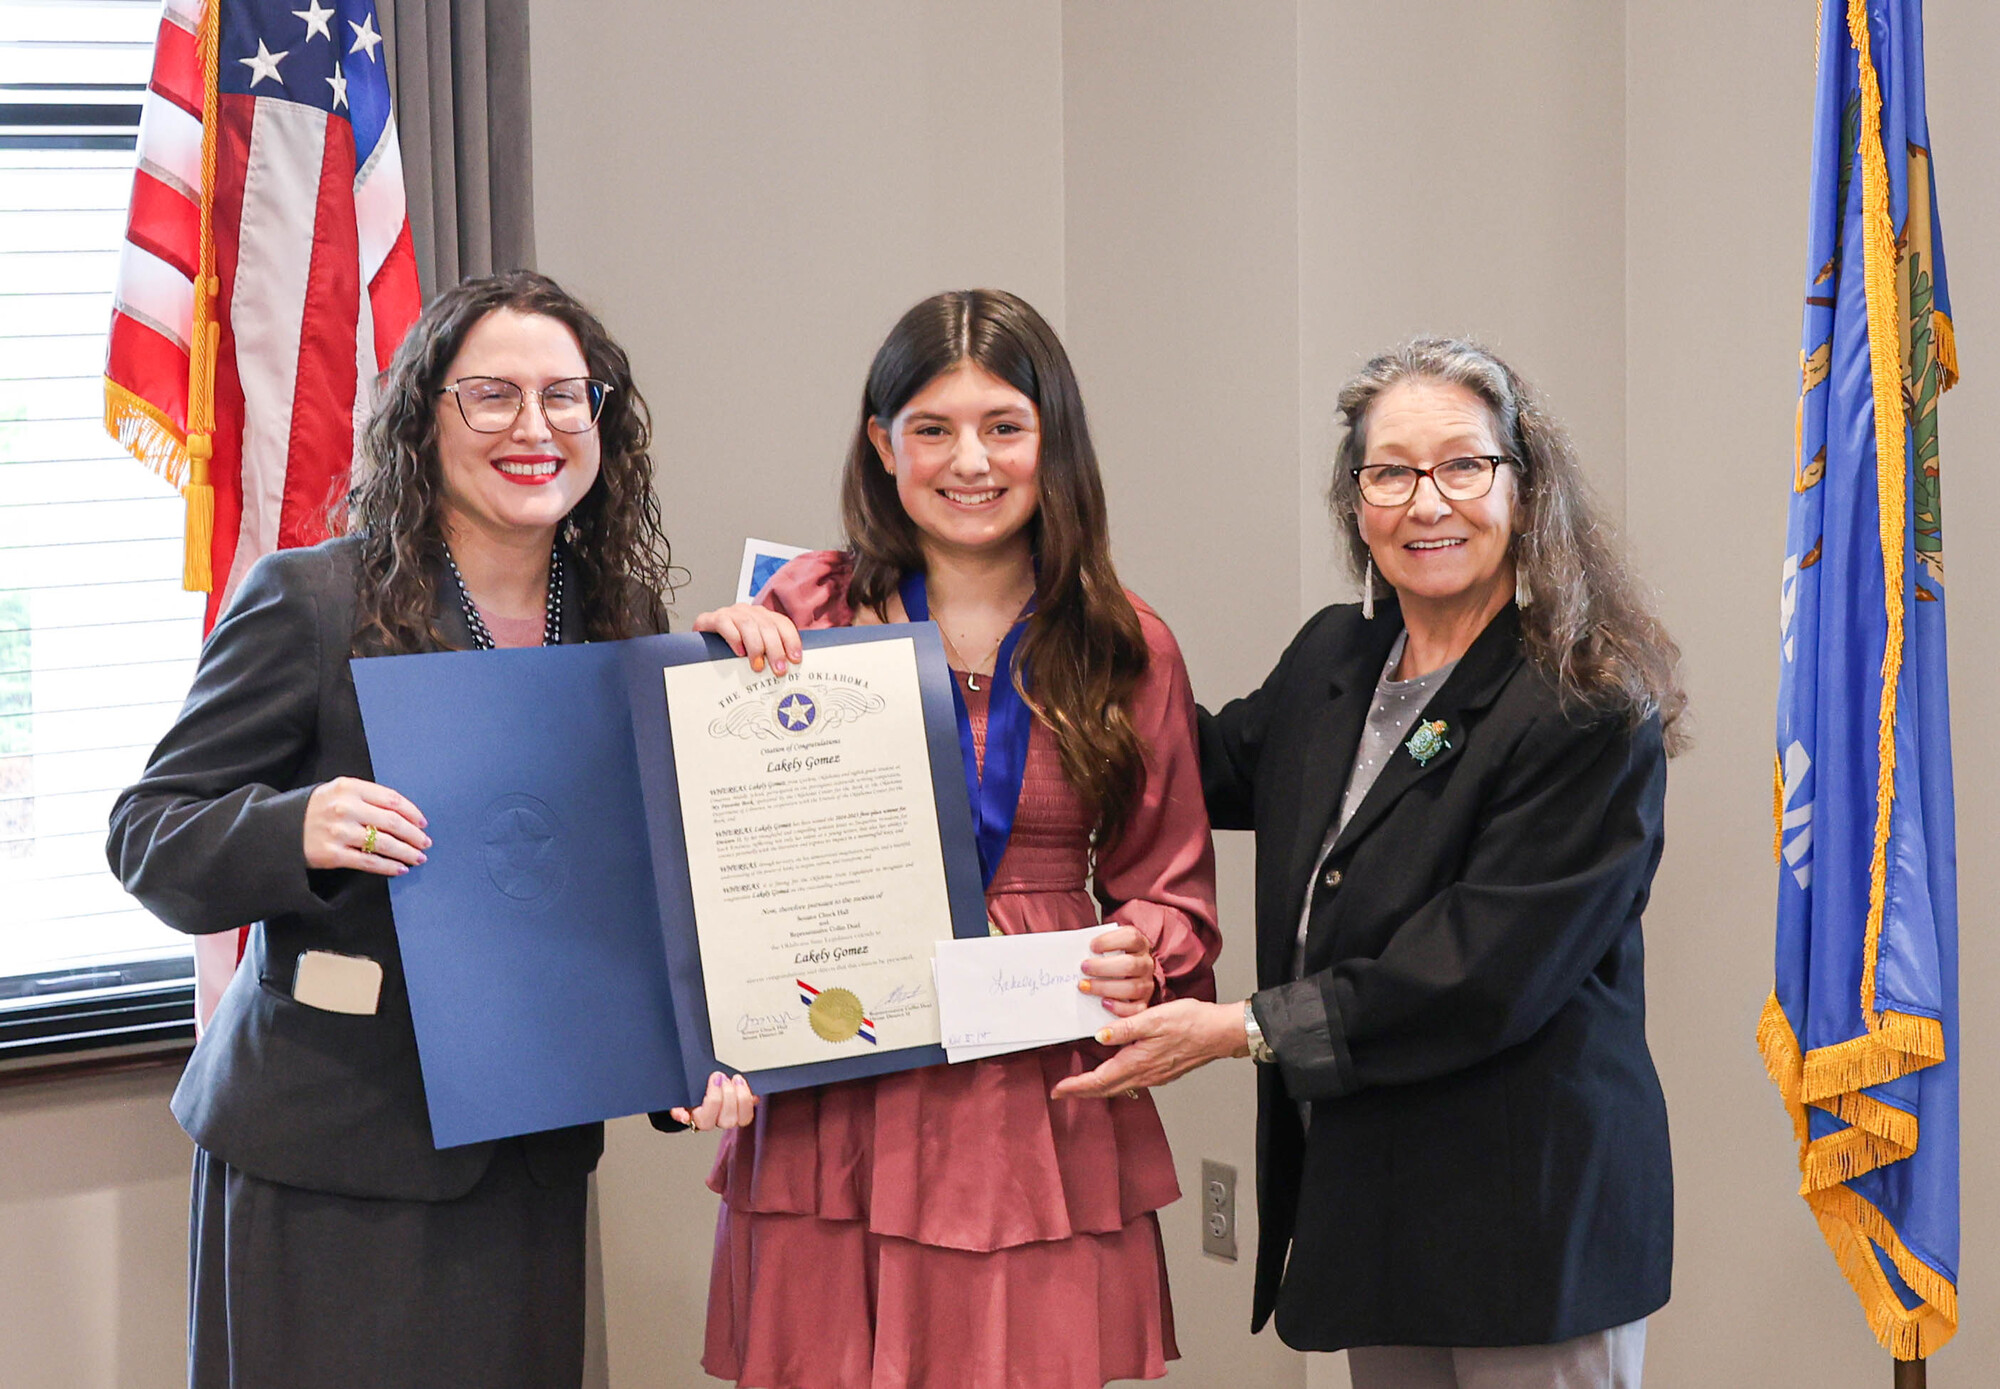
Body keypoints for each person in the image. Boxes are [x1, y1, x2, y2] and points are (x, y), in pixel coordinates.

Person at [106, 271, 750, 1389]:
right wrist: (298, 826)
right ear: (424, 418)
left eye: (565, 395)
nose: (533, 427)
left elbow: (633, 884)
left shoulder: (622, 623)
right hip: (331, 1155)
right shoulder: (313, 601)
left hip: (526, 1155)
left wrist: (684, 1055)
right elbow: (149, 833)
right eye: (491, 395)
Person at [1057, 338, 1685, 1388]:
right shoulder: (1334, 658)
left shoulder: (1582, 701)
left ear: (1524, 487)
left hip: (1527, 1219)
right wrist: (1053, 629)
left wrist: (1241, 1027)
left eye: (1463, 466)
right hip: (1372, 1203)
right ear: (1355, 503)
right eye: (1389, 472)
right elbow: (1197, 767)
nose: (1425, 502)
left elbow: (1479, 973)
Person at [689, 288, 1221, 1389]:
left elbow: (1168, 885)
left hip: (1033, 1085)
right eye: (932, 428)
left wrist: (1146, 952)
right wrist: (711, 679)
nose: (969, 461)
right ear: (883, 446)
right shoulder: (803, 614)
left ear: (1051, 442)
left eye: (1003, 427)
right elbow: (717, 854)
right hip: (841, 1073)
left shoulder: (1126, 644)